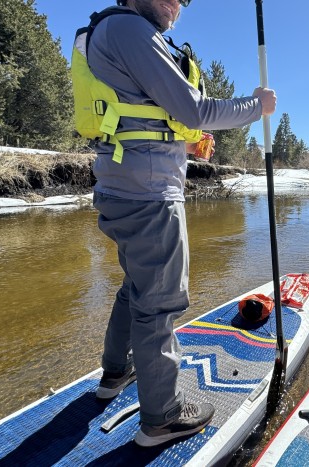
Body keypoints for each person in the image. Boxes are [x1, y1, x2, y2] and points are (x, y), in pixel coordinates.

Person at [85, 0, 276, 448]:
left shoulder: (111, 30)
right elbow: (194, 109)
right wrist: (257, 106)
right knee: (160, 303)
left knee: (137, 287)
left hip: (123, 186)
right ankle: (163, 417)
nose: (178, 2)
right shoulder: (131, 29)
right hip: (149, 195)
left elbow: (139, 115)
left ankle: (116, 371)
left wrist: (181, 147)